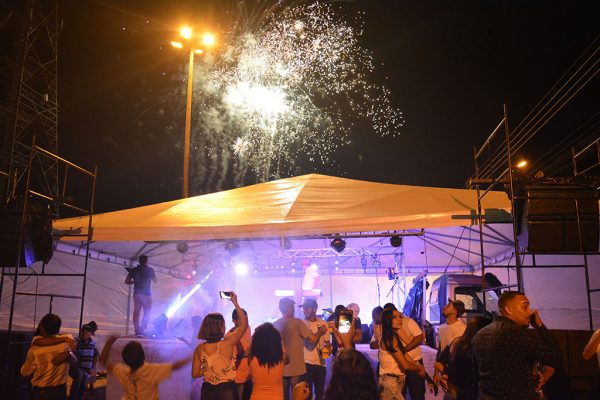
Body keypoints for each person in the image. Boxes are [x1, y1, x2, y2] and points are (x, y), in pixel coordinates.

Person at [472, 291, 562, 400]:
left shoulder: (480, 335)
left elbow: (475, 373)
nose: (530, 312)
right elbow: (555, 357)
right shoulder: (519, 333)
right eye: (525, 307)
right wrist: (539, 325)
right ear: (508, 310)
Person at [192, 292, 248, 400]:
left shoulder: (199, 348)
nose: (225, 327)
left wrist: (211, 370)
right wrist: (235, 303)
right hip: (226, 391)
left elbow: (195, 374)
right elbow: (244, 324)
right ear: (220, 327)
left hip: (207, 391)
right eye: (223, 324)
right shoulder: (227, 344)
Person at [99, 336, 190, 400]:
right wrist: (190, 351)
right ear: (143, 356)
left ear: (125, 360)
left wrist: (109, 342)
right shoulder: (152, 371)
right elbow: (176, 366)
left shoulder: (123, 371)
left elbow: (103, 361)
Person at [273, 297, 327, 400]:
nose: (294, 310)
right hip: (296, 369)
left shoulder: (275, 325)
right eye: (292, 308)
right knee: (298, 397)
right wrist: (320, 331)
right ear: (289, 308)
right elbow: (313, 339)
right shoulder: (297, 323)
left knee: (283, 397)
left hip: (281, 369)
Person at [21, 313, 77, 400]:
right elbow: (74, 361)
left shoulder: (35, 350)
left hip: (41, 393)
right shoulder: (67, 345)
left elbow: (25, 373)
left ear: (42, 329)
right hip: (61, 391)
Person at [436, 316, 492, 400]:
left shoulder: (457, 343)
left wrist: (446, 374)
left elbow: (438, 364)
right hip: (467, 393)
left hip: (453, 392)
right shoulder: (478, 348)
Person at [378, 307, 426, 400]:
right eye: (395, 317)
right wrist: (419, 368)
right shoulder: (390, 338)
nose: (400, 319)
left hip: (394, 381)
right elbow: (405, 365)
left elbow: (404, 354)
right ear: (387, 320)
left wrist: (417, 365)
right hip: (391, 382)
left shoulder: (393, 336)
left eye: (400, 316)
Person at [248, 322, 288, 400]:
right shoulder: (282, 358)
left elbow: (252, 348)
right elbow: (287, 358)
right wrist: (279, 343)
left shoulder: (251, 358)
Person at [300, 298, 331, 400]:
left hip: (320, 364)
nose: (304, 310)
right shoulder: (302, 323)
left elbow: (327, 343)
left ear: (314, 309)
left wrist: (326, 352)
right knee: (306, 396)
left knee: (320, 395)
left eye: (306, 308)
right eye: (303, 308)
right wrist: (320, 331)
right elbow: (311, 340)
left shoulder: (323, 323)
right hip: (306, 363)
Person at [434, 299, 466, 386]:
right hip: (443, 371)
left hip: (455, 373)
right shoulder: (442, 328)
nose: (444, 307)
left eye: (448, 306)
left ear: (455, 311)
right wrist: (436, 373)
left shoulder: (462, 329)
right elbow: (440, 350)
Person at [125, 255, 157, 336]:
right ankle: (142, 330)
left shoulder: (134, 270)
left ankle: (137, 330)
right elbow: (155, 280)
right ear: (147, 261)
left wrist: (135, 281)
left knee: (136, 313)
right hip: (147, 294)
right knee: (147, 313)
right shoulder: (150, 270)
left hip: (137, 293)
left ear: (139, 261)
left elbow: (127, 281)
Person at [68, 323, 99, 400]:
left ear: (90, 333)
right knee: (80, 377)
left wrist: (93, 367)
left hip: (87, 370)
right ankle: (72, 397)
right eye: (83, 331)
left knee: (83, 387)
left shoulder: (93, 344)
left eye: (87, 331)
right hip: (76, 369)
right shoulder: (77, 341)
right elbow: (69, 352)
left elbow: (96, 355)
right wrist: (73, 350)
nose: (85, 332)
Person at [227, 308, 252, 400]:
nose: (245, 322)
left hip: (248, 375)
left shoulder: (247, 328)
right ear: (234, 321)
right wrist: (247, 353)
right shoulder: (229, 336)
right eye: (242, 320)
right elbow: (230, 357)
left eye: (246, 319)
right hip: (237, 376)